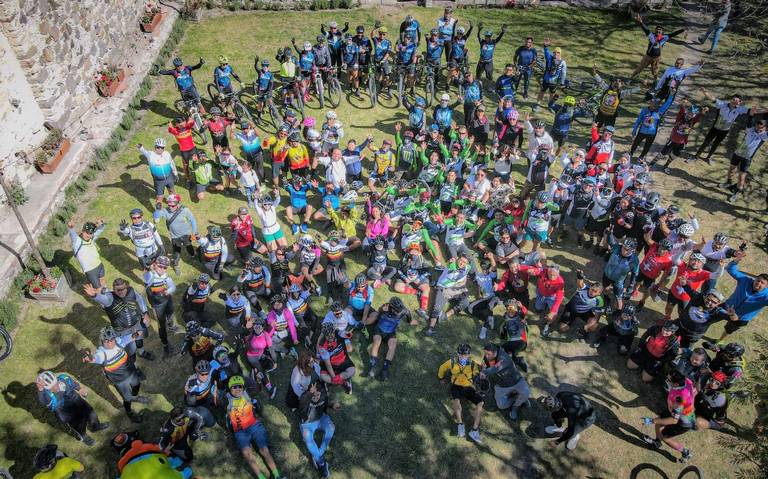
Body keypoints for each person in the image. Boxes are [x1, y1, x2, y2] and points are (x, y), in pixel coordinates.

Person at [82, 327, 150, 423]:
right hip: (120, 381)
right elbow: (94, 358)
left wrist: (138, 332)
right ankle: (129, 412)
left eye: (112, 340)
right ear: (102, 341)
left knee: (137, 384)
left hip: (131, 372)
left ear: (115, 338)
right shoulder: (102, 354)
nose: (110, 343)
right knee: (127, 399)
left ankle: (135, 397)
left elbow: (131, 336)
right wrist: (89, 358)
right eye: (106, 341)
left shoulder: (119, 342)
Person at [224, 376, 287, 479]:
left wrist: (257, 381)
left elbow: (257, 388)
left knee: (264, 450)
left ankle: (277, 475)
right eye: (234, 387)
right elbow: (216, 401)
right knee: (247, 454)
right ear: (230, 389)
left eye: (240, 386)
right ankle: (261, 477)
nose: (237, 389)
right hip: (240, 431)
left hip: (254, 425)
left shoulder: (247, 393)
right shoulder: (226, 399)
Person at [85, 278, 153, 361]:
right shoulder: (110, 297)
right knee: (130, 350)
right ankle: (134, 366)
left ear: (126, 287)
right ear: (114, 289)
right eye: (118, 290)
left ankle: (142, 352)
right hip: (122, 330)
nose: (121, 292)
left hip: (136, 324)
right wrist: (94, 295)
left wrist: (145, 312)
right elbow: (103, 299)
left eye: (123, 289)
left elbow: (140, 299)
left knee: (139, 340)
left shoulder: (131, 291)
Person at [36, 371, 109, 446]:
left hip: (77, 401)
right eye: (52, 387)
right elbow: (42, 401)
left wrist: (80, 389)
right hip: (65, 412)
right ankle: (84, 436)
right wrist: (40, 390)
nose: (56, 387)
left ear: (57, 379)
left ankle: (95, 426)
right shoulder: (47, 395)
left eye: (56, 383)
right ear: (46, 389)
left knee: (91, 414)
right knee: (78, 425)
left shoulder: (64, 378)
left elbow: (74, 384)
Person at [642, 370, 696, 463]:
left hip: (683, 422)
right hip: (675, 411)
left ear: (676, 384)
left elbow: (674, 420)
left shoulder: (680, 399)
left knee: (666, 437)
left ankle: (685, 452)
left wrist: (651, 421)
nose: (666, 380)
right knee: (659, 421)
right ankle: (657, 442)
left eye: (669, 380)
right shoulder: (686, 380)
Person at [437, 343, 484, 443]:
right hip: (456, 386)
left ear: (469, 355)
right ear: (457, 353)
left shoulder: (472, 364)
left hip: (468, 387)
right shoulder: (452, 362)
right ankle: (460, 425)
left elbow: (476, 372)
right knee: (456, 402)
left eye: (465, 355)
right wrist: (441, 378)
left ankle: (474, 430)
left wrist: (477, 376)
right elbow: (442, 368)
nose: (463, 356)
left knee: (480, 403)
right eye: (461, 354)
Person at [692, 89, 752, 164]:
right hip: (715, 128)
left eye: (737, 101)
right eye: (733, 99)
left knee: (716, 144)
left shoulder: (740, 109)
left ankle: (708, 157)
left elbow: (753, 111)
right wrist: (704, 91)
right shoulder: (722, 104)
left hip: (724, 131)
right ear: (731, 100)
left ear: (739, 103)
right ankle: (696, 156)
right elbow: (711, 97)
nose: (734, 101)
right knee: (706, 142)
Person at [720, 109, 768, 202]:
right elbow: (750, 119)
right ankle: (728, 183)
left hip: (747, 158)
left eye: (760, 129)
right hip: (738, 153)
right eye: (757, 127)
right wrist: (751, 114)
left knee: (741, 176)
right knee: (731, 169)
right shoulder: (750, 130)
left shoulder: (764, 136)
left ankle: (737, 192)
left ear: (766, 129)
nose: (758, 129)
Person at [721, 253, 768, 339]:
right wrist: (736, 260)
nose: (758, 283)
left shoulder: (766, 296)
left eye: (762, 283)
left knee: (729, 329)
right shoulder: (745, 280)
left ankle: (719, 341)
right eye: (758, 280)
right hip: (727, 307)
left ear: (766, 286)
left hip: (741, 318)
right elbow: (731, 270)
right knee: (711, 315)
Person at [363, 297, 411, 380]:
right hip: (379, 330)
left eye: (399, 311)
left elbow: (409, 320)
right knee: (377, 342)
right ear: (391, 307)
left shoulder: (405, 311)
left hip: (391, 332)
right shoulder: (385, 307)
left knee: (392, 345)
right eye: (396, 310)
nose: (397, 312)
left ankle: (385, 369)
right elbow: (378, 315)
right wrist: (382, 310)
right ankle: (372, 367)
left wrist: (410, 321)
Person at [481, 343, 530, 421]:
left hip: (516, 381)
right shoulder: (487, 358)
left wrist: (484, 372)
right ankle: (516, 398)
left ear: (495, 353)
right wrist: (484, 370)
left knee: (526, 392)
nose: (486, 356)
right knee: (501, 405)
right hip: (502, 385)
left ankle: (515, 406)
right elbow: (485, 367)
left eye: (488, 354)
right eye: (485, 353)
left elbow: (495, 369)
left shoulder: (504, 357)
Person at [299, 381, 336, 478]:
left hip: (321, 418)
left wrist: (332, 405)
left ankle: (317, 454)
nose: (316, 397)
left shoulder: (323, 394)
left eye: (318, 394)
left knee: (331, 428)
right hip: (307, 423)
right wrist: (309, 395)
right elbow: (302, 412)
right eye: (313, 395)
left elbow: (325, 404)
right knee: (307, 438)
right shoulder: (304, 397)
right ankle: (322, 463)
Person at [630, 16, 685, 81]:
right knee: (639, 68)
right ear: (655, 31)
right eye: (657, 29)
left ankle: (655, 82)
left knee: (655, 72)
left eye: (660, 30)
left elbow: (673, 34)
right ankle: (630, 79)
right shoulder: (651, 35)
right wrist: (641, 22)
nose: (658, 31)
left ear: (662, 32)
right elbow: (646, 29)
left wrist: (682, 30)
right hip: (647, 56)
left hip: (656, 58)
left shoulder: (664, 37)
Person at [153, 193, 198, 274]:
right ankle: (176, 265)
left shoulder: (185, 210)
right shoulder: (165, 211)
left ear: (178, 204)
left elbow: (193, 220)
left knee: (189, 246)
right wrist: (157, 210)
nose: (170, 207)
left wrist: (194, 233)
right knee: (176, 252)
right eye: (169, 205)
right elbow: (156, 220)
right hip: (175, 237)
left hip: (186, 235)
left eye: (172, 206)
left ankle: (193, 256)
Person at [555, 270, 605, 338]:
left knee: (594, 326)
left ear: (599, 293)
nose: (592, 292)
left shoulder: (599, 301)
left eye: (595, 291)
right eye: (592, 289)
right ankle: (569, 320)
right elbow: (580, 284)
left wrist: (587, 326)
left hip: (584, 312)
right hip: (571, 309)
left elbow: (597, 317)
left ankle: (584, 332)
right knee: (562, 328)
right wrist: (580, 277)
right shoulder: (584, 289)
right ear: (590, 287)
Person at [317, 322, 355, 394]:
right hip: (331, 364)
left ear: (334, 331)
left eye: (332, 333)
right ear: (324, 335)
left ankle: (334, 381)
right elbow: (327, 364)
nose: (330, 336)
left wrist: (349, 335)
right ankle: (343, 381)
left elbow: (348, 334)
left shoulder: (339, 333)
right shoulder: (322, 346)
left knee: (352, 371)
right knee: (322, 377)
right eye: (327, 335)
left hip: (343, 360)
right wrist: (334, 377)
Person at [67, 218, 106, 289]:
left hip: (99, 265)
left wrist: (102, 223)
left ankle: (107, 294)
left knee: (103, 281)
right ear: (83, 231)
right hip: (90, 270)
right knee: (98, 289)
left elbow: (100, 229)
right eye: (87, 233)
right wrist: (71, 228)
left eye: (91, 233)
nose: (89, 235)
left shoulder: (91, 238)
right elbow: (73, 235)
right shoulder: (77, 242)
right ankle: (102, 298)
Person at [534, 39, 567, 110]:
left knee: (552, 94)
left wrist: (562, 83)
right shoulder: (549, 58)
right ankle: (538, 104)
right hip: (546, 80)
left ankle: (550, 106)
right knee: (542, 92)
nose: (556, 54)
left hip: (554, 82)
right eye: (554, 52)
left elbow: (564, 73)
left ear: (560, 53)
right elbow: (546, 51)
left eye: (558, 53)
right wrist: (545, 45)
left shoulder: (563, 62)